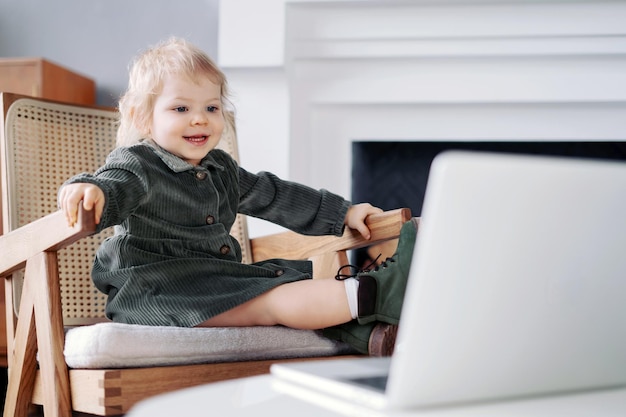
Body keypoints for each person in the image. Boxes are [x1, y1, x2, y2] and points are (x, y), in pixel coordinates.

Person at [58, 37, 418, 356]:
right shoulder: (137, 163)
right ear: (143, 118)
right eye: (181, 108)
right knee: (273, 301)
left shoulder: (221, 169)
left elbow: (274, 195)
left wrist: (344, 212)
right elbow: (114, 185)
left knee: (282, 284)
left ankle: (363, 328)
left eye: (210, 108)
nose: (200, 119)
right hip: (157, 293)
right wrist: (92, 189)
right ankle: (380, 291)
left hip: (215, 281)